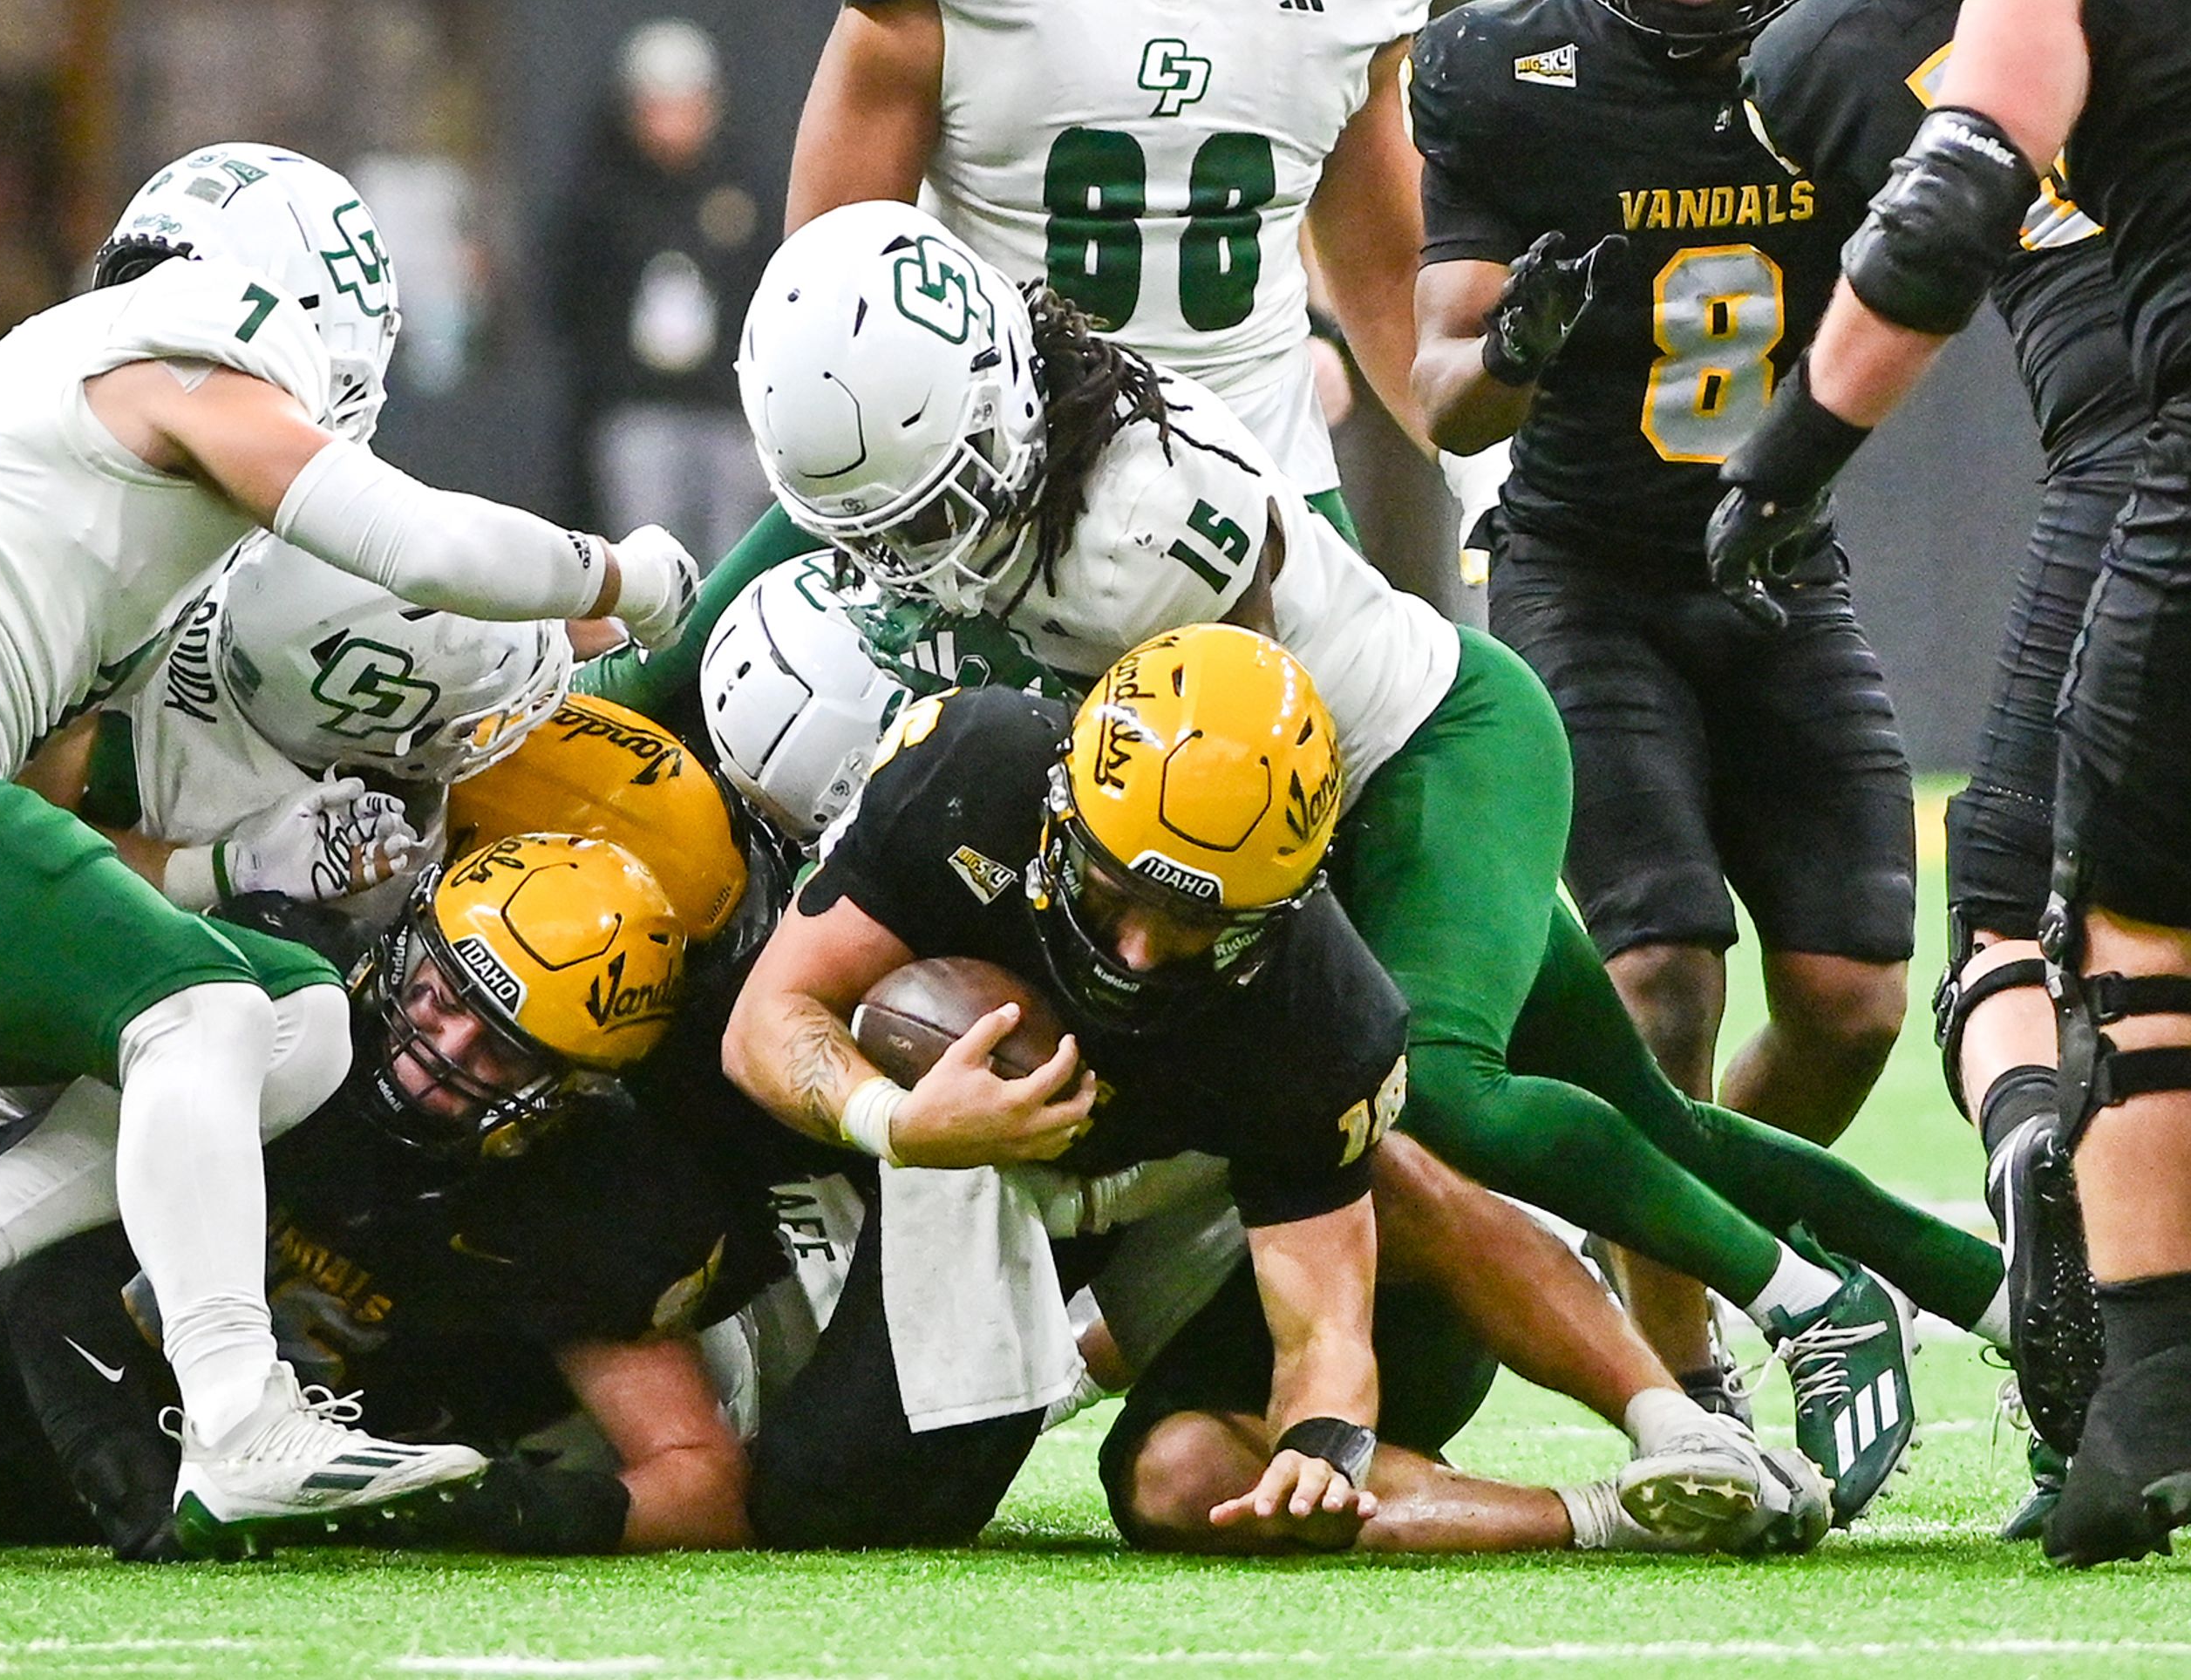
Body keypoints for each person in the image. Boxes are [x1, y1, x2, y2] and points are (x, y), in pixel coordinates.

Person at [734, 200, 2018, 1521]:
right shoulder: (975, 457)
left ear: (994, 412)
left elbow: (1232, 775)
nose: (907, 554)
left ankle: (1807, 1301)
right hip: (1301, 805)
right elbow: (770, 573)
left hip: (1418, 760)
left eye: (934, 505)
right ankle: (2016, 1302)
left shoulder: (1137, 529)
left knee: (1444, 1089)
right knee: (1645, 1127)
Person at [0, 142, 702, 1552]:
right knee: (208, 1008)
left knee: (285, 1016)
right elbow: (411, 542)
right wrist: (625, 576)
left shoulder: (65, 423)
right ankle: (240, 1415)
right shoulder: (180, 361)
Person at [720, 632, 1819, 1554]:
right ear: (1062, 811)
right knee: (836, 1505)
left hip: (1221, 1205)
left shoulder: (1316, 1000)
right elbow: (771, 1019)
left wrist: (1320, 1447)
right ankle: (1103, 1341)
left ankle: (1648, 1468)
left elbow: (1326, 1327)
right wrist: (900, 1121)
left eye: (1199, 923)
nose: (1143, 955)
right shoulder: (973, 769)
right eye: (1119, 894)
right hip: (992, 1166)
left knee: (1194, 1461)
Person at [1701, 0, 2191, 1565]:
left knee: (2036, 919)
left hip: (2133, 455)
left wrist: (1778, 460)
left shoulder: (1857, 22)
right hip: (2137, 429)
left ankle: (2108, 1335)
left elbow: (1942, 203)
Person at [589, 0, 1436, 732]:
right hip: (994, 495)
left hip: (1262, 478)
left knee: (1434, 787)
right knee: (723, 741)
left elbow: (1385, 273)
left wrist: (1488, 459)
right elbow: (834, 304)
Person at [1408, 0, 1915, 1407]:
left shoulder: (1853, 58)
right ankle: (1684, 1379)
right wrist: (1519, 348)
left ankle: (1670, 1219)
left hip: (1778, 564)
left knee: (1849, 999)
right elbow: (1442, 400)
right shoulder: (1515, 77)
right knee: (1660, 976)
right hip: (1584, 570)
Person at [0, 836, 756, 1561]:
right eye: (437, 994)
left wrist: (507, 1509)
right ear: (402, 950)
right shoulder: (284, 996)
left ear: (571, 1089)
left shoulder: (584, 1188)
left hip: (49, 1495)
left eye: (501, 1052)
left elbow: (699, 1480)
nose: (439, 1050)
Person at [545, 20, 777, 555]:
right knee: (650, 556)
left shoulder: (742, 187)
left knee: (731, 558)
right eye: (657, 106)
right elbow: (568, 298)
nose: (672, 123)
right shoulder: (602, 195)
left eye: (685, 104)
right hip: (637, 409)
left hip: (728, 412)